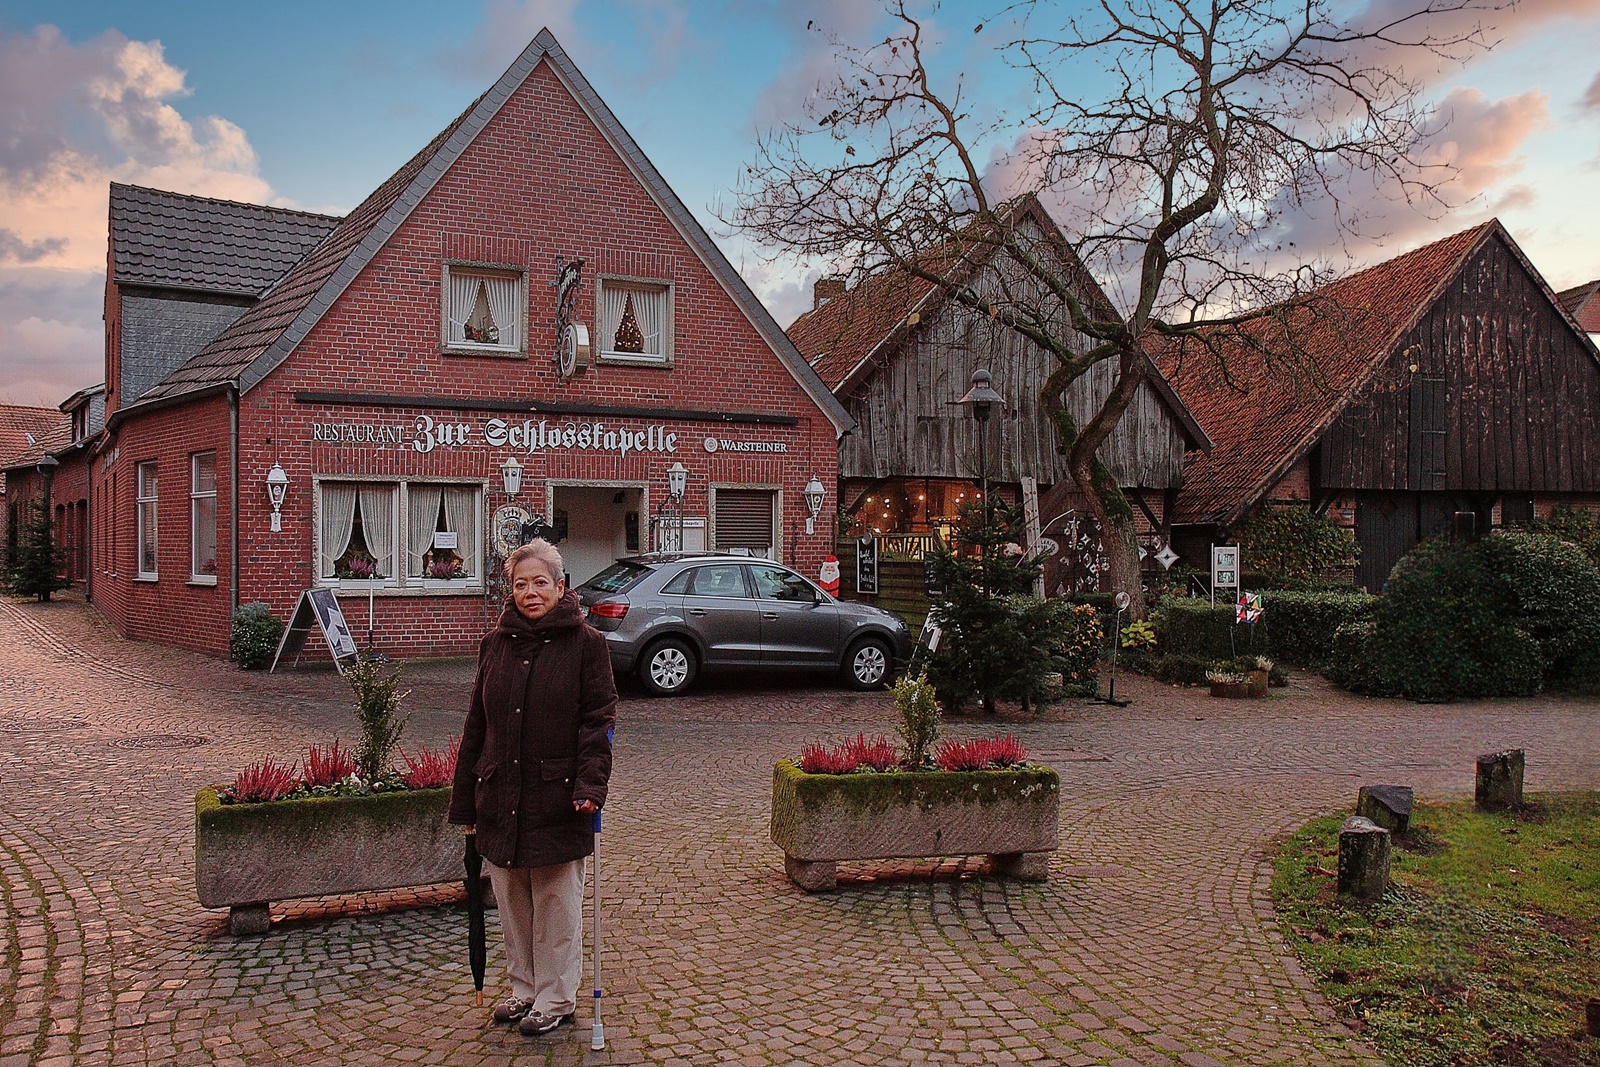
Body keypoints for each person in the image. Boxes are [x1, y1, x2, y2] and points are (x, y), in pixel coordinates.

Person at [449, 539, 616, 1037]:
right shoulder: (494, 644)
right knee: (512, 901)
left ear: (561, 587)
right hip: (500, 793)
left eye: (540, 583)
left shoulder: (588, 645)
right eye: (520, 584)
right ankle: (524, 989)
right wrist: (465, 799)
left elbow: (599, 720)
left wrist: (591, 784)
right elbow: (476, 724)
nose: (530, 592)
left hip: (559, 795)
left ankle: (557, 996)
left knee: (555, 902)